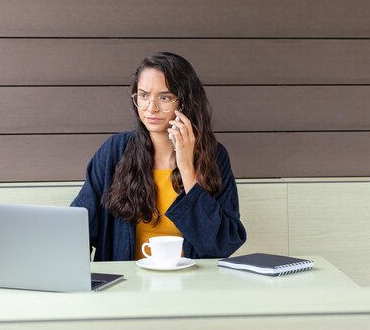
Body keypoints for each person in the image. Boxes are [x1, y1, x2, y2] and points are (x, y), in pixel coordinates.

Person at [71, 52, 246, 261]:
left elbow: (222, 245)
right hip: (127, 286)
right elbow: (78, 230)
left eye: (164, 98)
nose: (150, 108)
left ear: (185, 102)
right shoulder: (114, 151)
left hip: (192, 286)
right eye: (143, 95)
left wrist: (187, 169)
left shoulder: (215, 156)